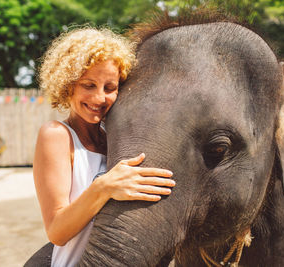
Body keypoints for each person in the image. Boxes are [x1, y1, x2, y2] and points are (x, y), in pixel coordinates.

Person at [25, 27, 175, 267]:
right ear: (68, 85)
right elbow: (56, 232)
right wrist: (104, 187)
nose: (99, 98)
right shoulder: (56, 135)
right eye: (88, 85)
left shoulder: (116, 137)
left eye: (110, 88)